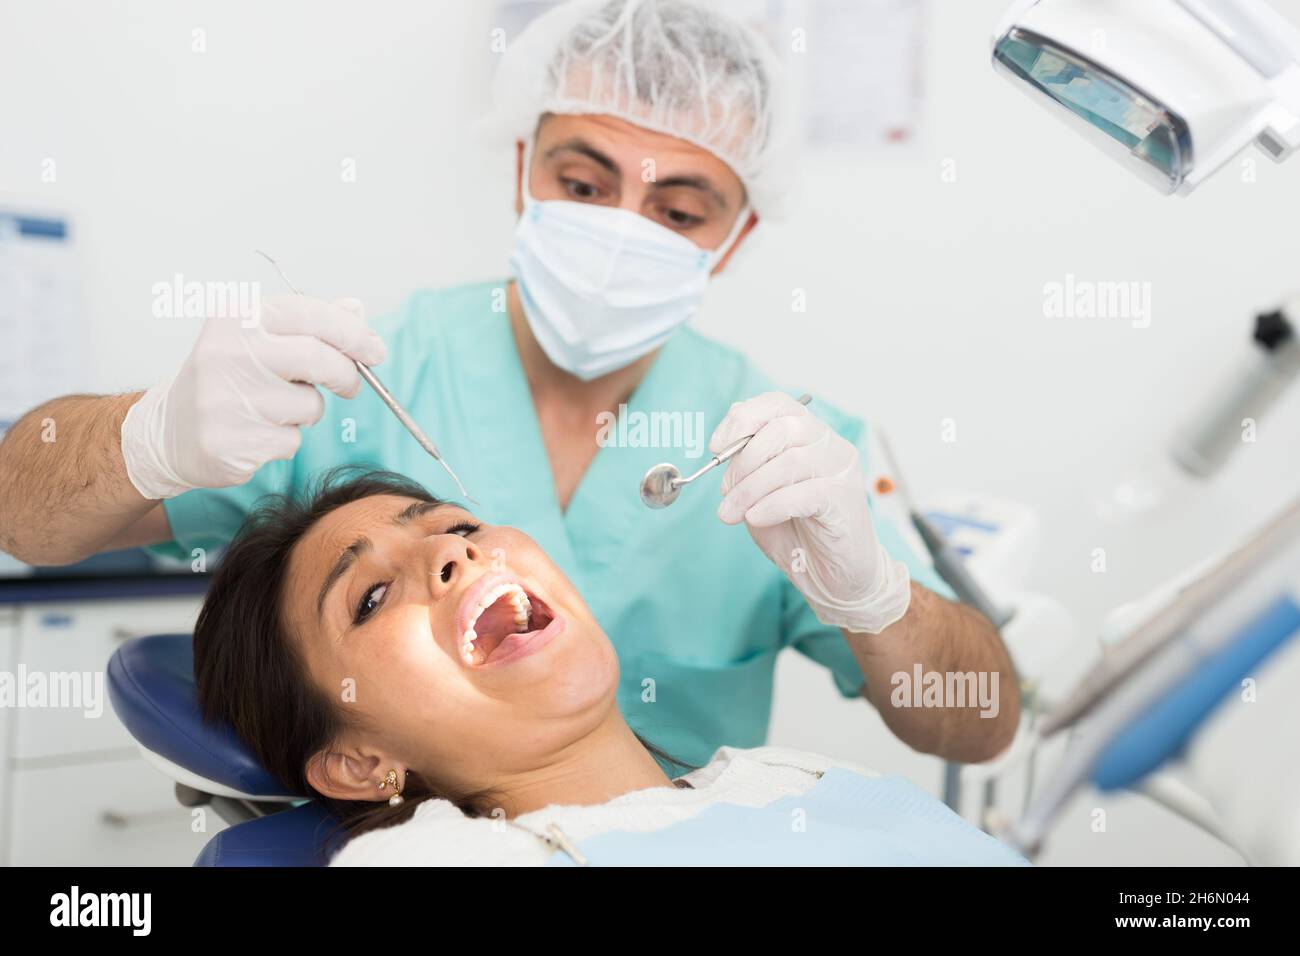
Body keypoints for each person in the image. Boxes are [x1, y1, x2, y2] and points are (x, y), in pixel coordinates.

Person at [0, 0, 1018, 768]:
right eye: (582, 183)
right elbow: (21, 513)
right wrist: (148, 435)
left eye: (678, 208)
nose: (620, 226)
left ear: (737, 234)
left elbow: (977, 721)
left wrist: (874, 597)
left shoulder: (779, 453)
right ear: (520, 165)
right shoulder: (358, 378)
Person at [193, 467, 1028, 866]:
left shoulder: (796, 778)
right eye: (369, 598)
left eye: (456, 525)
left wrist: (877, 591)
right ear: (360, 763)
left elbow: (983, 721)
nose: (451, 552)